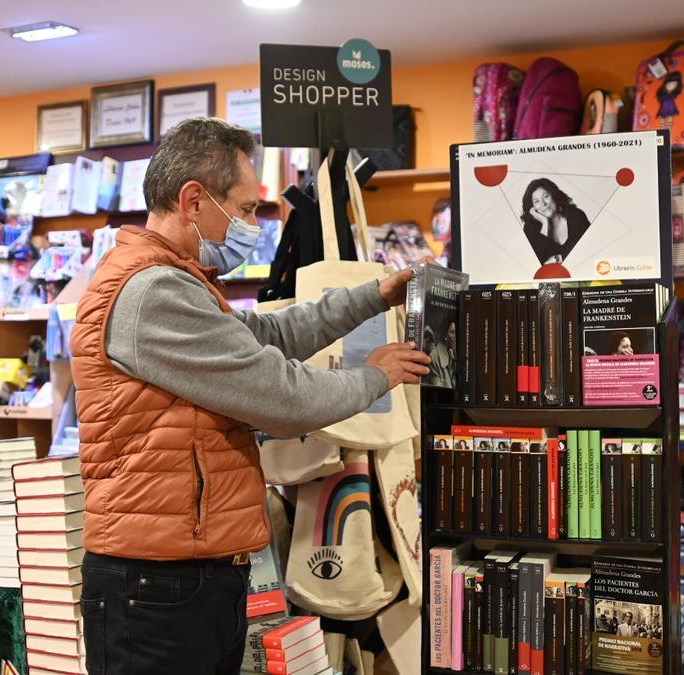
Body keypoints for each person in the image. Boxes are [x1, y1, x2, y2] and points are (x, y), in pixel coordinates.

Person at [69, 117, 430, 675]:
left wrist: (373, 296)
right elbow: (283, 398)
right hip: (158, 581)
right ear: (193, 201)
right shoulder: (154, 291)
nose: (253, 224)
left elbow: (269, 335)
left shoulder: (177, 281)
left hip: (181, 573)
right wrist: (376, 375)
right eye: (244, 208)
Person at [520, 178, 590, 265]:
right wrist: (545, 224)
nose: (543, 204)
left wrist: (557, 259)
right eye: (537, 201)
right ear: (533, 208)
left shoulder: (576, 216)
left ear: (554, 195)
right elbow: (532, 263)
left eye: (545, 196)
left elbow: (587, 248)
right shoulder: (530, 229)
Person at [427, 320, 456, 387]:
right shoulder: (434, 356)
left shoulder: (452, 353)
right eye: (452, 332)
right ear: (445, 335)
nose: (455, 336)